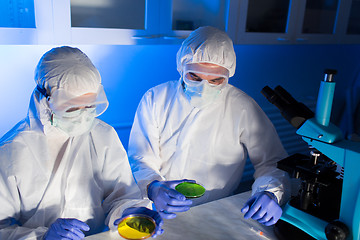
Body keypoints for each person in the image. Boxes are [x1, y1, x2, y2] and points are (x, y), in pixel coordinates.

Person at [128, 26, 291, 226]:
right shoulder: (156, 99)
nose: (204, 88)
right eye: (194, 77)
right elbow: (141, 157)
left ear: (229, 74)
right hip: (161, 209)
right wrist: (154, 188)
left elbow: (271, 161)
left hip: (217, 209)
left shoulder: (242, 107)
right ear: (181, 67)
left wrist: (271, 192)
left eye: (216, 80)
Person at [0, 46, 163, 239]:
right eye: (72, 108)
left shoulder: (103, 135)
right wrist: (43, 237)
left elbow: (121, 195)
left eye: (90, 106)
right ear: (44, 101)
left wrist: (130, 213)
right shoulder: (11, 151)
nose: (83, 116)